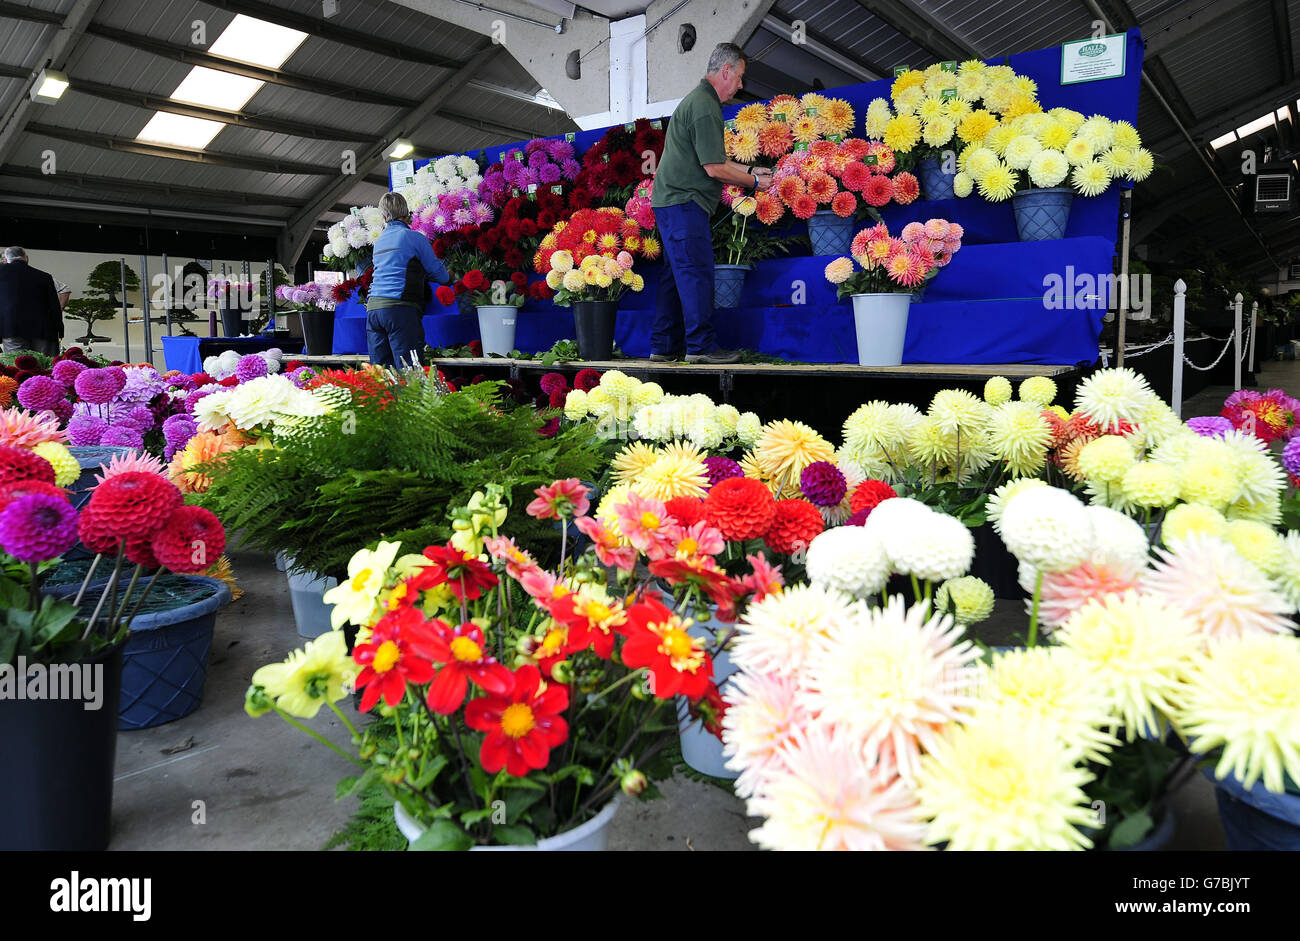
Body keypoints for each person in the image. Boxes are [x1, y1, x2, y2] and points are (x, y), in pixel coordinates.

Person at [650, 43, 772, 365]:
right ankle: (701, 347)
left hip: (671, 201)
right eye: (740, 77)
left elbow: (711, 159)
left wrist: (748, 170)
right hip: (684, 201)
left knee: (674, 275)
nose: (741, 85)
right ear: (726, 71)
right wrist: (756, 182)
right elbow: (714, 168)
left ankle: (663, 346)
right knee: (695, 271)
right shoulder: (706, 106)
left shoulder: (698, 100)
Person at [365, 191, 450, 367]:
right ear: (407, 213)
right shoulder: (414, 238)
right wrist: (452, 276)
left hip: (373, 310)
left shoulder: (379, 242)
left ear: (383, 216)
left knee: (380, 376)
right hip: (400, 310)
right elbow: (439, 274)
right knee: (409, 373)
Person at [0, 246, 62, 356]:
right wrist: (59, 330)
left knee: (17, 367)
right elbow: (54, 307)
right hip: (43, 330)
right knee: (44, 367)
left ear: (6, 259)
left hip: (11, 328)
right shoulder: (44, 277)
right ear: (26, 258)